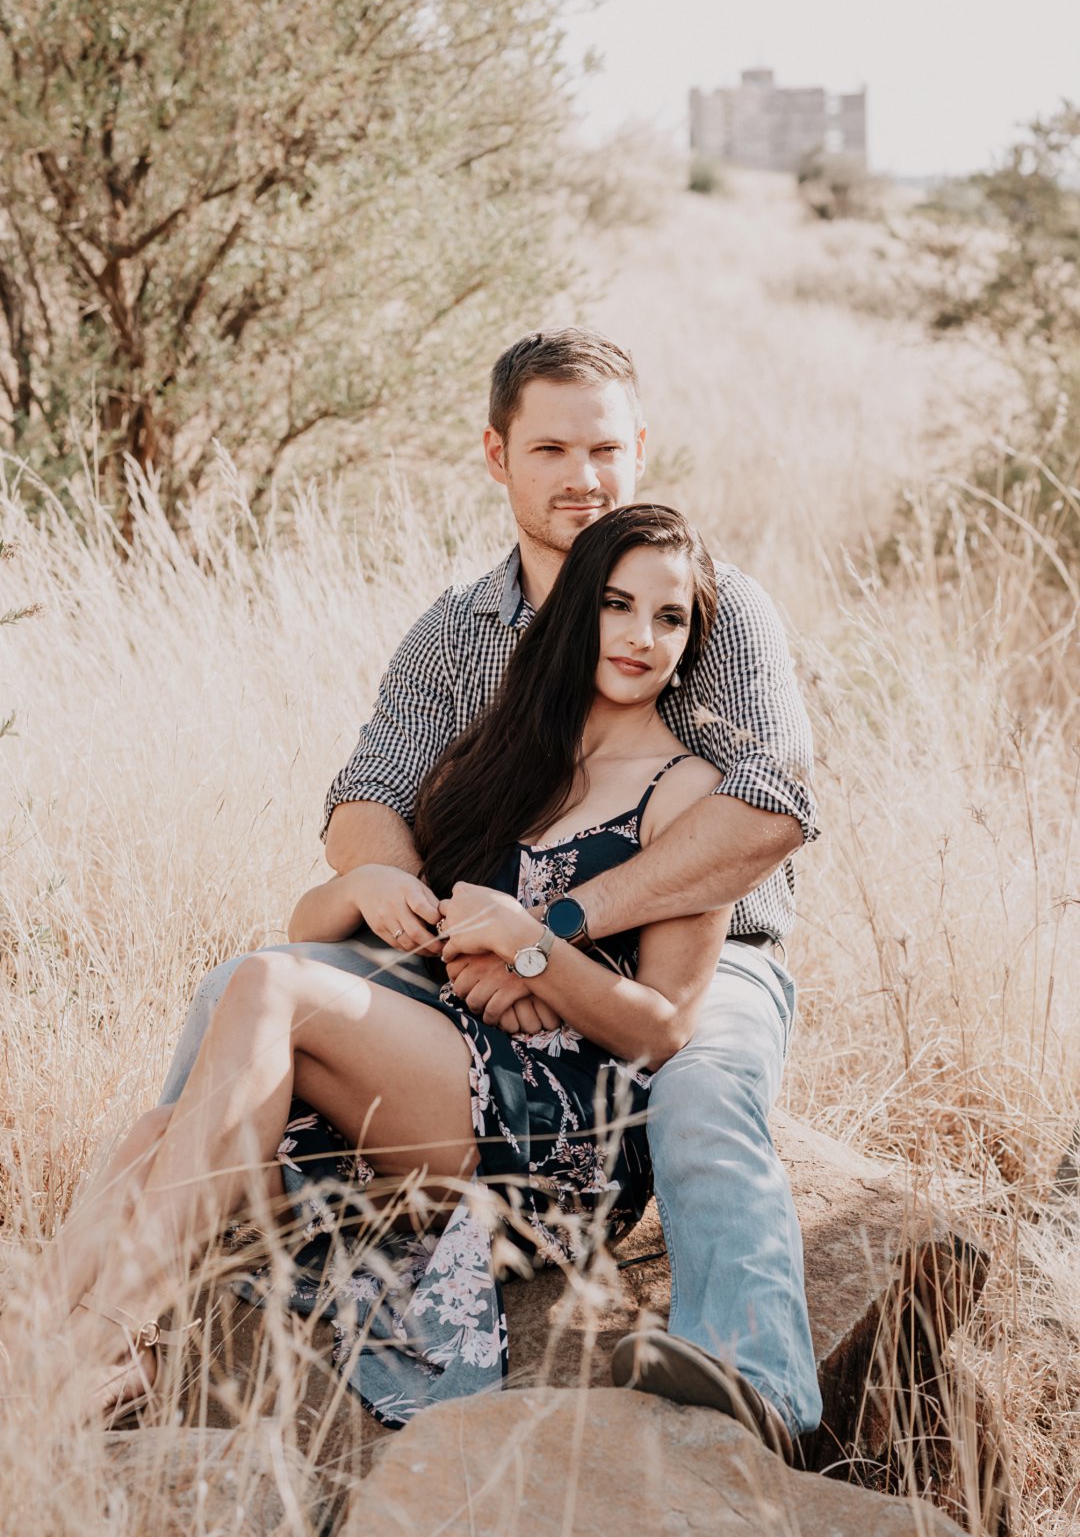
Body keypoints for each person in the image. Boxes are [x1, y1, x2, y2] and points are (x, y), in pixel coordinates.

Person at [156, 326, 823, 1456]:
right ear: (497, 456)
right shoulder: (460, 627)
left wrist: (549, 934)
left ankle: (758, 1388)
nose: (583, 477)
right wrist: (423, 920)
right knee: (247, 984)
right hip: (479, 937)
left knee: (705, 1093)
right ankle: (185, 1262)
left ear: (641, 448)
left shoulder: (705, 600)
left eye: (604, 449)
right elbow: (368, 794)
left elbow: (769, 807)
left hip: (696, 952)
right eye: (551, 449)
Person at [0, 506, 735, 1438]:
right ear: (577, 608)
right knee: (158, 1132)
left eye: (669, 618)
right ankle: (29, 1361)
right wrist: (367, 884)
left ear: (692, 639)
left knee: (270, 988)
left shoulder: (689, 790)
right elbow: (312, 932)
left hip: (561, 1133)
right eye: (617, 605)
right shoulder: (507, 752)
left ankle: (121, 1333)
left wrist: (533, 949)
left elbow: (665, 1027)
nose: (640, 637)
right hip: (438, 1066)